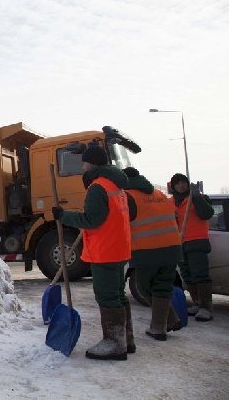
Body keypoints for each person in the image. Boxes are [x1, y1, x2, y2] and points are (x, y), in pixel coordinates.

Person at [52, 145, 135, 361]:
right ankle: (126, 340)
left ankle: (114, 344)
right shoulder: (117, 185)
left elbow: (92, 220)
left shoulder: (98, 187)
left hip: (105, 250)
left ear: (92, 164)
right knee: (118, 295)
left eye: (85, 162)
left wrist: (64, 216)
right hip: (119, 248)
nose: (82, 166)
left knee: (107, 296)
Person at [123, 167, 183, 340]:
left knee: (143, 286)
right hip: (172, 248)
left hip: (147, 250)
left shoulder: (128, 196)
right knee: (162, 287)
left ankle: (167, 321)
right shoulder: (159, 194)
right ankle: (161, 327)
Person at [169, 173, 215, 322]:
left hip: (196, 242)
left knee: (199, 274)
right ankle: (196, 303)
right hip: (179, 243)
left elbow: (207, 214)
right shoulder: (171, 202)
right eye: (177, 184)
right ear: (173, 187)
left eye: (183, 183)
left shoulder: (197, 199)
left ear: (188, 184)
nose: (180, 186)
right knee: (187, 275)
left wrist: (197, 198)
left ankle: (206, 308)